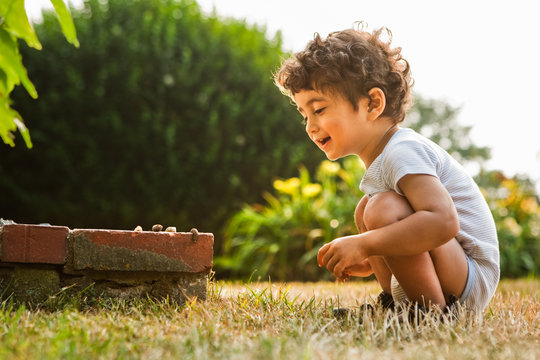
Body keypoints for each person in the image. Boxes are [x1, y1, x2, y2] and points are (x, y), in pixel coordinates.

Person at [274, 26, 499, 313]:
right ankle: (397, 306)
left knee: (379, 209)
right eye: (304, 114)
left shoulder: (402, 150)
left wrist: (365, 243)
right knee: (367, 208)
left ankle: (433, 314)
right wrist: (369, 258)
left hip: (471, 275)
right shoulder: (385, 155)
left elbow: (443, 221)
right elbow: (410, 236)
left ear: (373, 104)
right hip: (454, 268)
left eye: (319, 110)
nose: (309, 126)